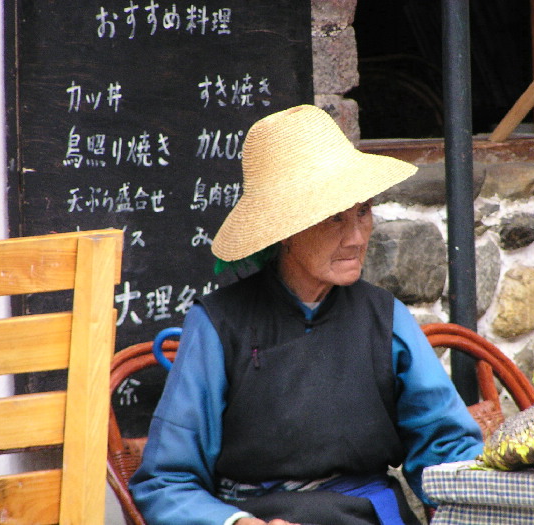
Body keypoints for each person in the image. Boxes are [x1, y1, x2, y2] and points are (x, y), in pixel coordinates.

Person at [129, 104, 483, 525]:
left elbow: (447, 447)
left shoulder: (385, 318)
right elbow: (164, 482)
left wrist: (480, 494)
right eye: (333, 218)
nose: (355, 237)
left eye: (363, 211)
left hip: (369, 515)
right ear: (285, 232)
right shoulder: (218, 326)